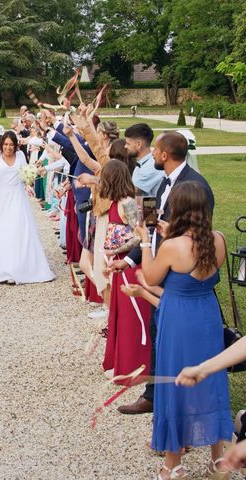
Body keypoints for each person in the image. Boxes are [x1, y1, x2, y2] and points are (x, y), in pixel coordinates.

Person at [136, 181, 232, 480]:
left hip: (178, 321)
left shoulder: (171, 247)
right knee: (211, 379)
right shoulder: (219, 239)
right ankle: (219, 461)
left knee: (174, 381)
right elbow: (198, 263)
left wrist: (144, 240)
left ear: (177, 209)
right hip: (207, 317)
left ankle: (173, 465)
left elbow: (151, 277)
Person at [114, 131, 215, 415]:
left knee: (174, 341)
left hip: (181, 274)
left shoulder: (196, 186)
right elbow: (149, 225)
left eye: (156, 150)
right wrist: (131, 260)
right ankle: (154, 394)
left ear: (164, 155)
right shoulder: (162, 183)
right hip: (158, 262)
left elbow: (199, 236)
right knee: (159, 333)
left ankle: (177, 403)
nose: (153, 154)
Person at [0, 131, 54, 284]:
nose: (8, 147)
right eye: (6, 144)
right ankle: (0, 268)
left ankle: (18, 268)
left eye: (11, 145)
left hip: (17, 198)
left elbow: (25, 172)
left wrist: (30, 176)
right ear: (2, 145)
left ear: (15, 146)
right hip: (0, 198)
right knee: (0, 231)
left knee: (18, 230)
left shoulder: (20, 156)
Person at [98, 160, 151, 382]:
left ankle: (135, 366)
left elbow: (143, 234)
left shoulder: (129, 203)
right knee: (119, 315)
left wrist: (117, 249)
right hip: (118, 263)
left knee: (132, 316)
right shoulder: (115, 202)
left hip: (131, 264)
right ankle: (121, 362)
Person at [124, 123, 164, 196]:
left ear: (139, 144)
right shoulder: (145, 161)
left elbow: (131, 191)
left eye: (128, 143)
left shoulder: (151, 166)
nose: (125, 146)